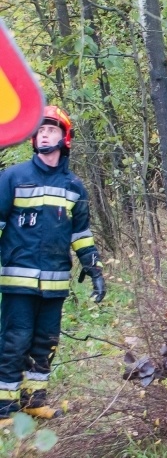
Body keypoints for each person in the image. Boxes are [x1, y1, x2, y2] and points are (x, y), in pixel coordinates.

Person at [0, 106, 106, 425]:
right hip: (19, 280)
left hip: (57, 283)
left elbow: (82, 233)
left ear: (65, 138)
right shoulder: (14, 177)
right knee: (15, 340)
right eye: (41, 130)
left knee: (46, 341)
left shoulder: (75, 186)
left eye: (52, 130)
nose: (45, 134)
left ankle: (34, 400)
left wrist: (94, 267)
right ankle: (4, 407)